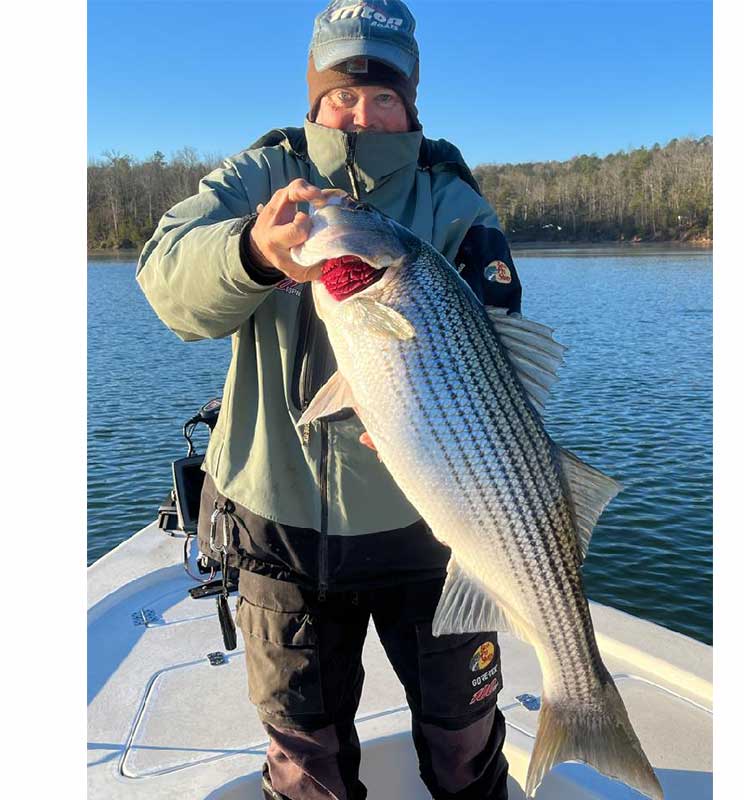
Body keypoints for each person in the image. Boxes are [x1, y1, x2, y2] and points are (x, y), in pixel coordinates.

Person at [136, 2, 522, 798]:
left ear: (410, 102)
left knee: (465, 748)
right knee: (306, 765)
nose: (361, 110)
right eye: (342, 92)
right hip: (276, 525)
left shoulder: (451, 201)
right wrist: (251, 249)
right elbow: (167, 278)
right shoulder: (262, 177)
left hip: (432, 524)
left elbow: (498, 343)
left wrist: (432, 410)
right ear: (314, 98)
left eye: (384, 94)